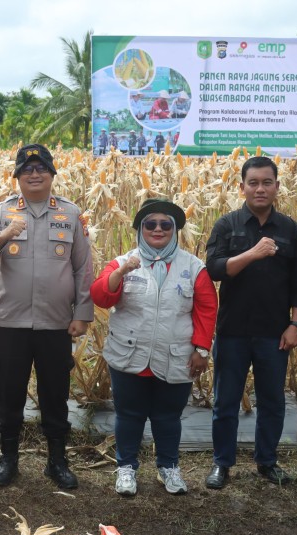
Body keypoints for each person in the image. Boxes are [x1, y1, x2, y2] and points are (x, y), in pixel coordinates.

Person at [0, 143, 94, 489]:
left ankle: (57, 460)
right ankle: (8, 458)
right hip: (11, 321)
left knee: (55, 394)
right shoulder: (1, 211)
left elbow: (82, 268)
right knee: (8, 392)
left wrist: (82, 313)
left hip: (55, 322)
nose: (34, 174)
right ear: (17, 177)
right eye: (26, 170)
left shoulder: (70, 214)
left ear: (52, 173)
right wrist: (3, 235)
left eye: (41, 168)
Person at [91, 198, 216, 496]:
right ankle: (126, 468)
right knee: (129, 415)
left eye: (165, 225)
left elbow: (206, 309)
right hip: (129, 355)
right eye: (150, 224)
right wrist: (120, 274)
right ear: (140, 229)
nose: (158, 229)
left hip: (176, 356)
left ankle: (169, 467)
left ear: (175, 230)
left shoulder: (194, 267)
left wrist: (201, 350)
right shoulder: (123, 262)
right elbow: (100, 296)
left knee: (168, 417)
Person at [203, 155, 297, 489]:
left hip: (274, 332)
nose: (260, 189)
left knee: (272, 401)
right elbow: (215, 270)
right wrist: (253, 253)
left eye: (267, 182)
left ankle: (267, 461)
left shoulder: (290, 229)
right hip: (233, 330)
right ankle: (222, 463)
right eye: (253, 183)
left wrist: (296, 325)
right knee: (225, 402)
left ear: (277, 187)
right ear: (242, 187)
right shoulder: (227, 224)